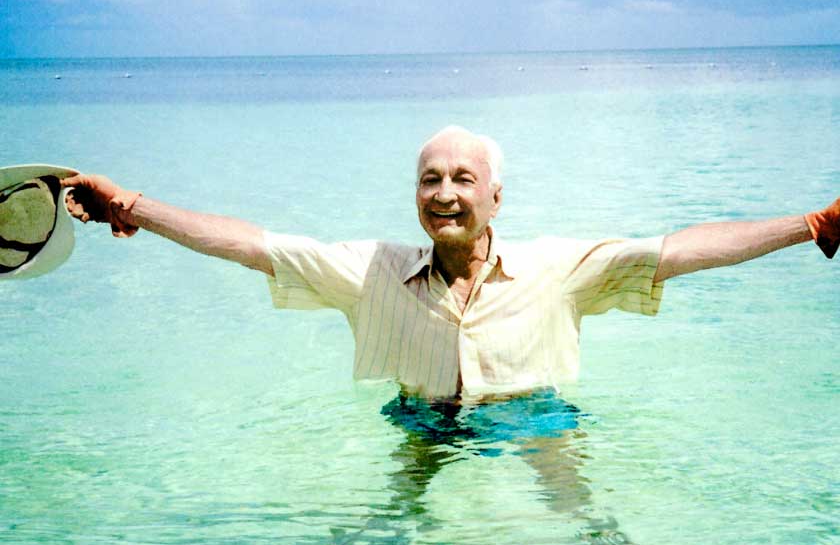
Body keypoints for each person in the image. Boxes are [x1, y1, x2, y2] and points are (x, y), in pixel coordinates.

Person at [61, 124, 838, 403]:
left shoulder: (559, 268)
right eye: (430, 178)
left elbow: (676, 251)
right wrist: (133, 206)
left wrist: (810, 225)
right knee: (395, 536)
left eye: (463, 178)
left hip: (529, 414)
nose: (444, 192)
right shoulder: (369, 271)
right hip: (421, 417)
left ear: (496, 197)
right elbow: (247, 243)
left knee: (579, 510)